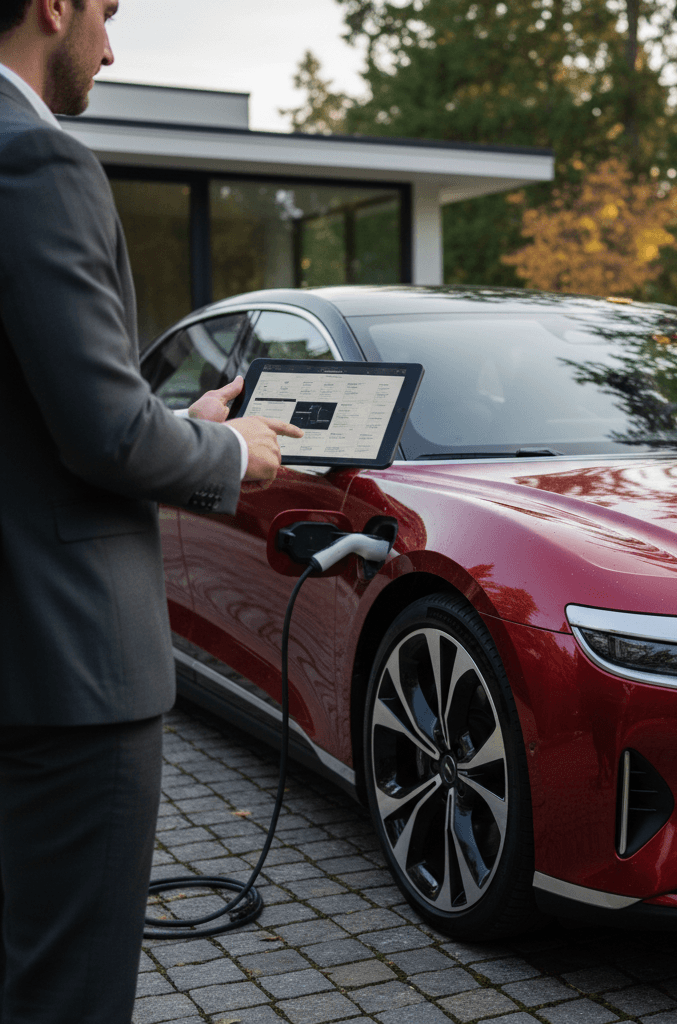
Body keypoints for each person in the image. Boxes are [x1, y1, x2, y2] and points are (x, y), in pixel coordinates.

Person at [0, 1, 303, 1020]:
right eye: (107, 12)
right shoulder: (38, 160)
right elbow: (104, 436)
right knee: (69, 991)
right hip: (67, 671)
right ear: (54, 6)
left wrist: (172, 419)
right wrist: (233, 450)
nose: (112, 47)